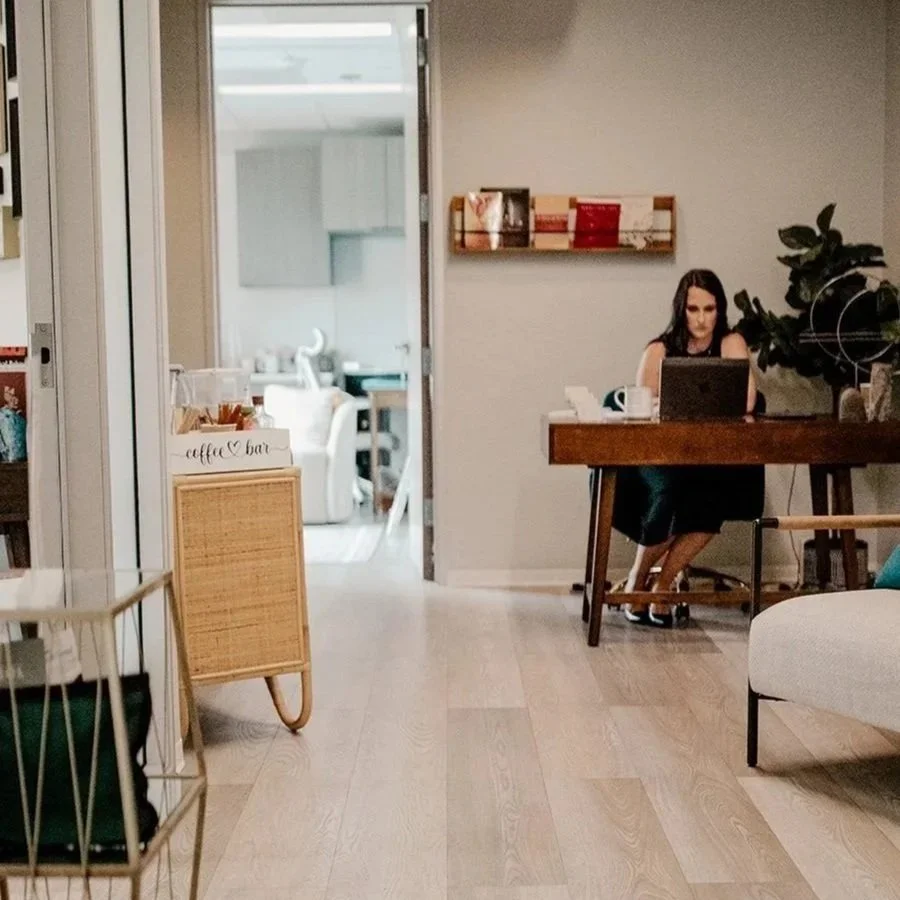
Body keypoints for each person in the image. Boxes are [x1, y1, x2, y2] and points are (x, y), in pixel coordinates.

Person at [613, 268, 758, 627]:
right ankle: (637, 581)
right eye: (694, 310)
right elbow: (641, 411)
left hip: (712, 457)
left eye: (710, 310)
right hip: (661, 455)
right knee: (674, 491)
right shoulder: (659, 349)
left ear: (720, 310)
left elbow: (748, 401)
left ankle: (662, 587)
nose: (702, 319)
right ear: (681, 309)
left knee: (713, 495)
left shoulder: (730, 342)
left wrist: (732, 348)